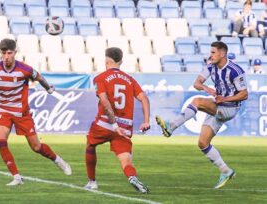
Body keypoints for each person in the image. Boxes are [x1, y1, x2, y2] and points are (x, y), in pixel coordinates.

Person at [0, 39, 72, 186]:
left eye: (9, 53)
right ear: (0, 54)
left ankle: (58, 160)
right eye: (4, 53)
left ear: (15, 53)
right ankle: (16, 177)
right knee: (1, 140)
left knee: (36, 147)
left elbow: (39, 77)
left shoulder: (25, 69)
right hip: (3, 110)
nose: (7, 56)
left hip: (22, 113)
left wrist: (48, 88)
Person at [156, 41, 248, 189]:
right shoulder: (211, 65)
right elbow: (196, 83)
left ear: (222, 53)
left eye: (213, 52)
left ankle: (171, 127)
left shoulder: (235, 70)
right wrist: (207, 88)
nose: (210, 55)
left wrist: (225, 98)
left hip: (229, 108)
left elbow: (244, 94)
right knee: (203, 143)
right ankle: (226, 170)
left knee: (197, 102)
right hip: (218, 105)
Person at [84, 47, 150, 193]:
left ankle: (92, 182)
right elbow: (144, 98)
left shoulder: (100, 78)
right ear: (121, 61)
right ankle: (132, 177)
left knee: (90, 145)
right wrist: (146, 121)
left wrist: (113, 124)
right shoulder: (130, 80)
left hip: (105, 124)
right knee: (126, 160)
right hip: (125, 127)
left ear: (106, 60)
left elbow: (105, 102)